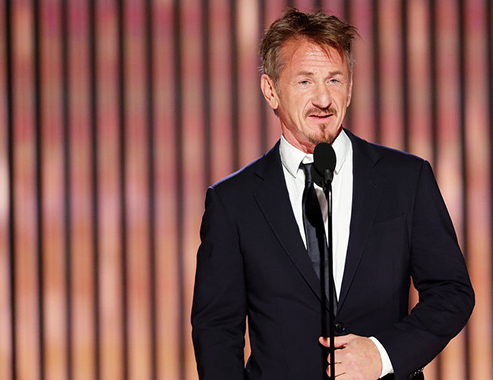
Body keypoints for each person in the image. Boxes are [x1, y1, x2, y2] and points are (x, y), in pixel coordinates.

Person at [191, 8, 474, 380]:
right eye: (305, 81)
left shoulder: (405, 180)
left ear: (351, 87)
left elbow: (451, 292)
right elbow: (216, 330)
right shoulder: (234, 202)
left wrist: (382, 355)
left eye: (335, 80)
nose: (323, 99)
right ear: (270, 90)